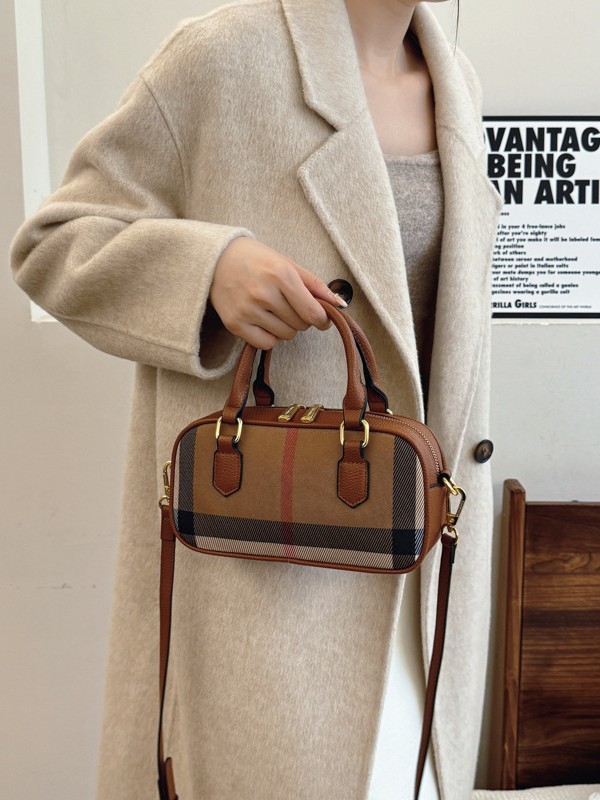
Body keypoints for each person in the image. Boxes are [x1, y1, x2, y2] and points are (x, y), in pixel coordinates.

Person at [9, 0, 503, 798]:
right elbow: (53, 241)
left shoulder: (459, 82)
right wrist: (209, 271)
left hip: (427, 578)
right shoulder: (224, 55)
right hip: (272, 591)